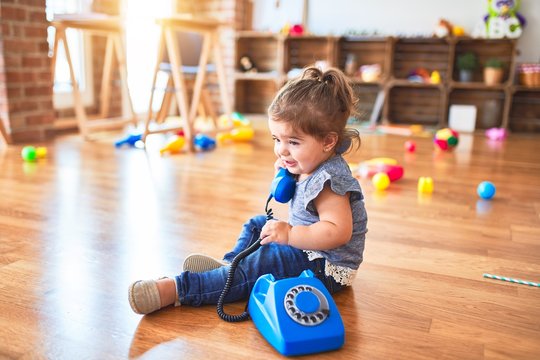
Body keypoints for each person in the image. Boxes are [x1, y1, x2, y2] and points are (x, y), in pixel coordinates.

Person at [128, 66, 368, 315]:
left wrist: (289, 235)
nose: (282, 150)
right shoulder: (311, 159)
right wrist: (289, 175)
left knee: (265, 260)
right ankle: (231, 266)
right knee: (257, 224)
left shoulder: (330, 181)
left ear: (328, 141)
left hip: (324, 267)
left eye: (293, 142)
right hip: (305, 246)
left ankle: (176, 289)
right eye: (277, 139)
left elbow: (338, 232)